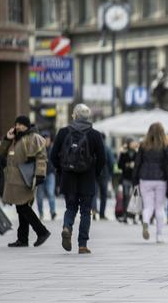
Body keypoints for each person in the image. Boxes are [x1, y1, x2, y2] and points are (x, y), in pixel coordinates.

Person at [51, 104, 105, 254]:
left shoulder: (63, 133)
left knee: (71, 207)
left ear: (74, 116)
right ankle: (82, 245)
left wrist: (61, 170)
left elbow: (53, 156)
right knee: (86, 211)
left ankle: (67, 227)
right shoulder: (95, 135)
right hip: (87, 178)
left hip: (68, 177)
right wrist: (96, 173)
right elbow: (102, 158)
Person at [0, 116, 51, 248]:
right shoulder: (14, 139)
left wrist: (40, 174)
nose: (18, 127)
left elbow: (41, 157)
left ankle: (42, 231)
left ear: (27, 126)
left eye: (21, 124)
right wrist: (7, 138)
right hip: (14, 179)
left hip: (25, 178)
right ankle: (22, 239)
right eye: (17, 124)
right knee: (20, 208)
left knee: (23, 207)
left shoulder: (34, 138)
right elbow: (1, 153)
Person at [133, 123, 168, 243]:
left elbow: (137, 163)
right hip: (160, 179)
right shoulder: (165, 145)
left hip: (144, 179)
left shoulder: (143, 145)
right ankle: (159, 236)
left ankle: (146, 221)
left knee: (148, 207)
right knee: (159, 208)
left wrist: (135, 179)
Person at [92, 133, 115, 221]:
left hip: (94, 175)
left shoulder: (93, 148)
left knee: (94, 194)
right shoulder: (107, 149)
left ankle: (94, 210)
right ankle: (102, 214)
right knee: (103, 195)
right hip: (105, 175)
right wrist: (111, 174)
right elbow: (112, 163)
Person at [36, 131, 56, 221]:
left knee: (51, 193)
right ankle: (41, 213)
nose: (46, 141)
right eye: (44, 139)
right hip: (40, 175)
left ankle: (53, 212)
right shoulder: (38, 150)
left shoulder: (53, 149)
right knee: (39, 196)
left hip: (50, 174)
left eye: (48, 139)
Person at [118, 138, 139, 223]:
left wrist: (135, 165)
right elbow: (119, 165)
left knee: (134, 198)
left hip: (134, 178)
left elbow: (139, 164)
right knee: (126, 197)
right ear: (129, 143)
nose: (134, 144)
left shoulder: (137, 153)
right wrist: (127, 165)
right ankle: (125, 215)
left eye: (135, 142)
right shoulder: (124, 153)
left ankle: (133, 216)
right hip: (126, 178)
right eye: (132, 142)